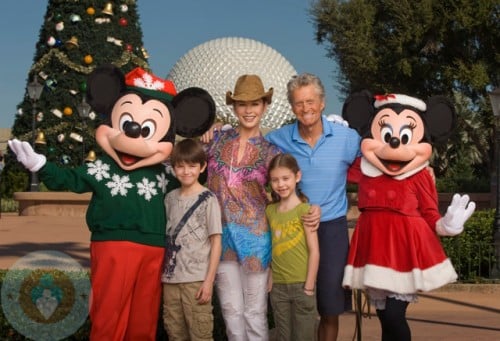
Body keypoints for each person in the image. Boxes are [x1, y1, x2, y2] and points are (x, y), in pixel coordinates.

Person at [265, 73, 361, 341]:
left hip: (331, 229)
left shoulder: (347, 138)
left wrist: (423, 169)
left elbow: (380, 159)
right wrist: (217, 131)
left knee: (329, 307)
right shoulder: (277, 139)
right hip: (294, 229)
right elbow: (250, 148)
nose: (305, 108)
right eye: (298, 103)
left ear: (321, 103)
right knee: (297, 303)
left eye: (310, 101)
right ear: (292, 107)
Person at [203, 74, 281, 340]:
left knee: (255, 313)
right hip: (220, 239)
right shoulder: (215, 141)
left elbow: (286, 192)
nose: (248, 110)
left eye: (255, 104)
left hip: (256, 241)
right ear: (234, 108)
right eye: (242, 104)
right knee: (230, 310)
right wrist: (202, 130)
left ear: (264, 106)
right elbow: (182, 162)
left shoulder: (272, 151)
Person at [161, 138, 222, 340]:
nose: (186, 171)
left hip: (196, 280)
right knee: (175, 333)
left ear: (202, 166)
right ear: (174, 167)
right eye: (180, 166)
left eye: (192, 166)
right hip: (170, 279)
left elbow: (216, 242)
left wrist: (209, 281)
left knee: (200, 334)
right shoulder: (169, 199)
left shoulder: (208, 199)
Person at [265, 153, 320, 341]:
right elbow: (272, 245)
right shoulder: (270, 211)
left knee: (303, 336)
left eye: (285, 178)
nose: (281, 184)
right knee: (283, 337)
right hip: (278, 287)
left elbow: (314, 251)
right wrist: (271, 278)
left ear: (297, 176)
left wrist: (309, 286)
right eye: (275, 180)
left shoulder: (305, 211)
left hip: (302, 285)